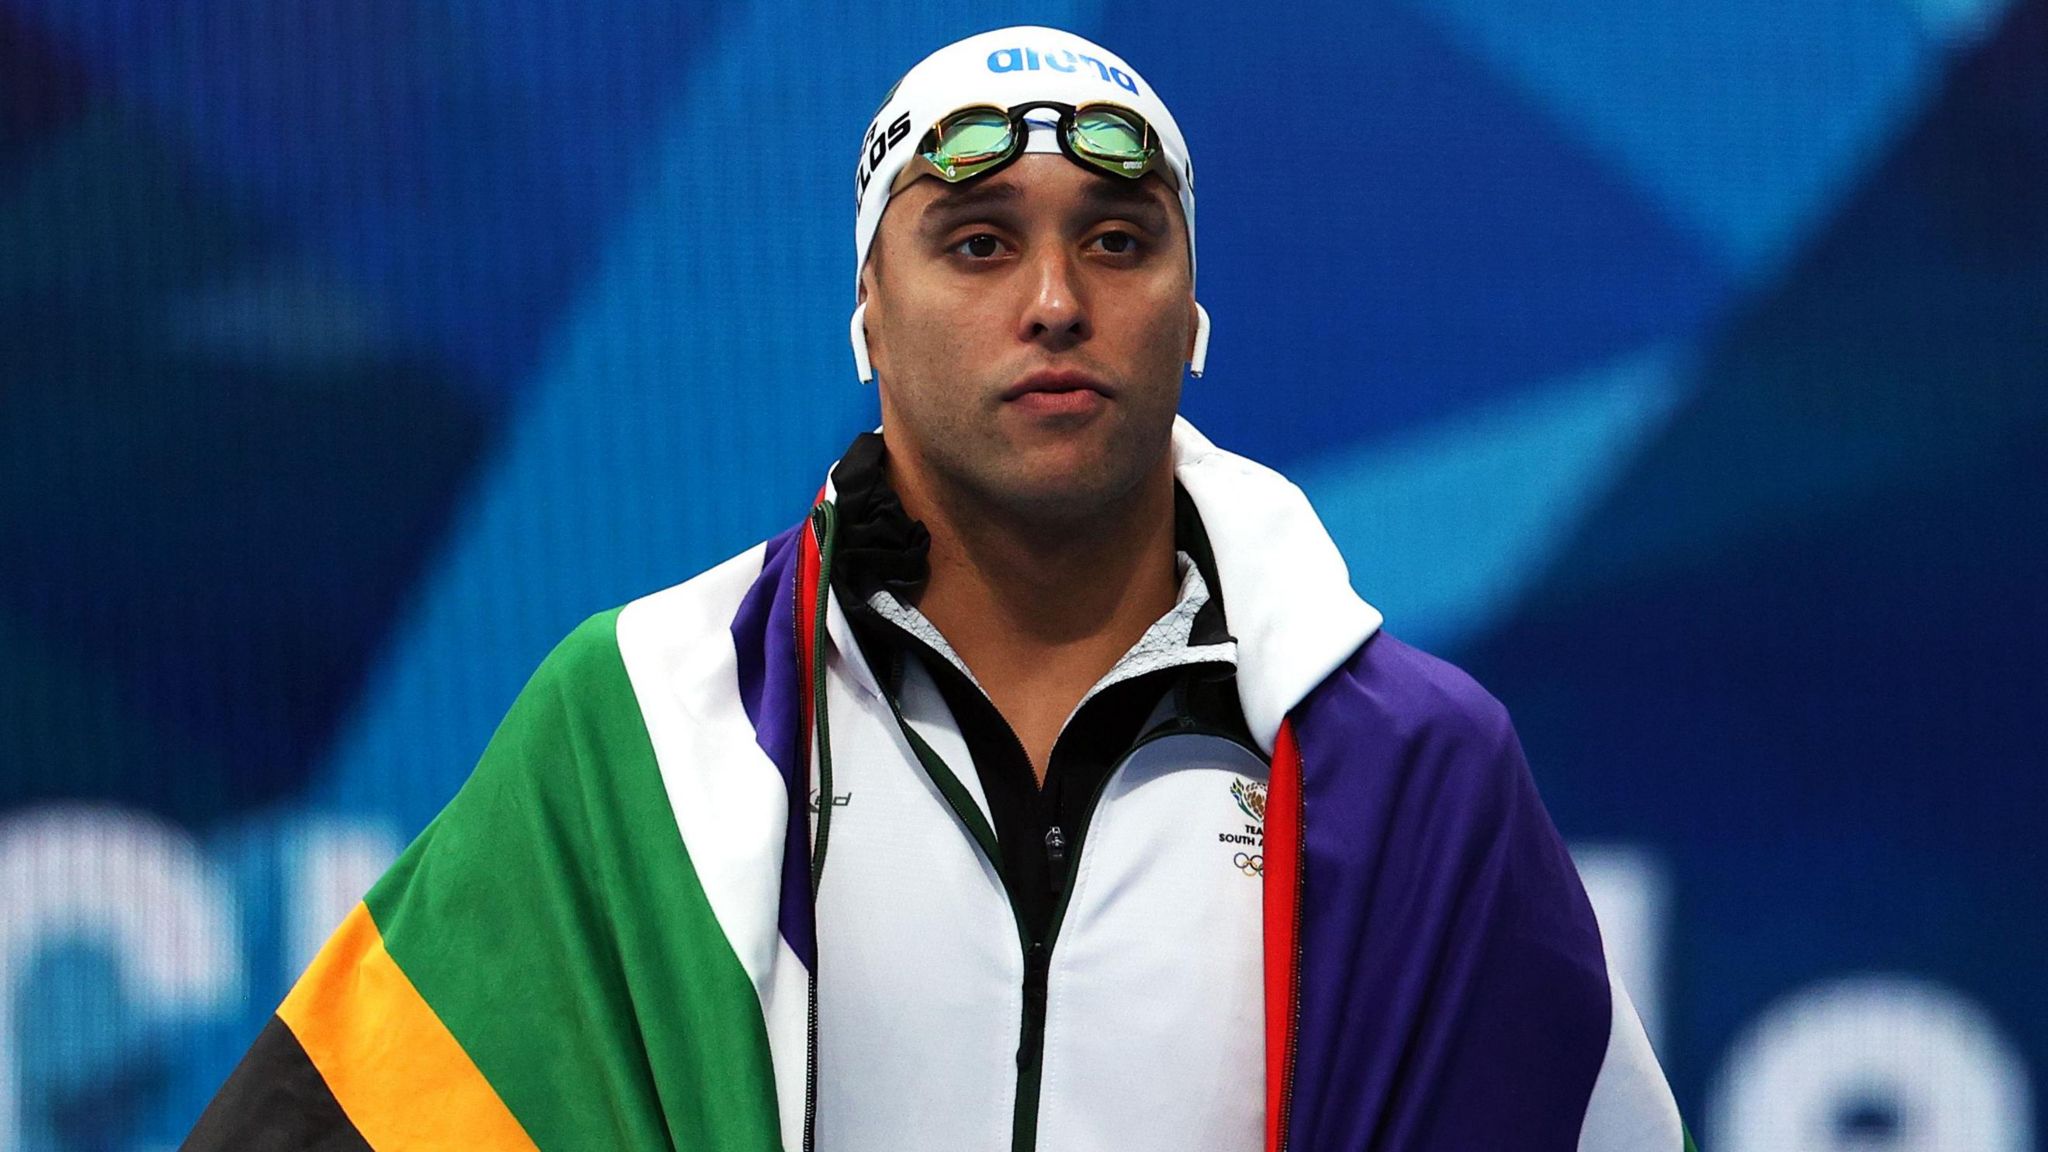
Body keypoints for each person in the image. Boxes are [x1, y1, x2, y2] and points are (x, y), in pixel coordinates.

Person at [187, 25, 1690, 1152]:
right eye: (976, 244)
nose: (1054, 301)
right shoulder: (652, 719)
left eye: (1117, 241)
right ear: (868, 312)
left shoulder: (1415, 770)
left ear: (1191, 316)